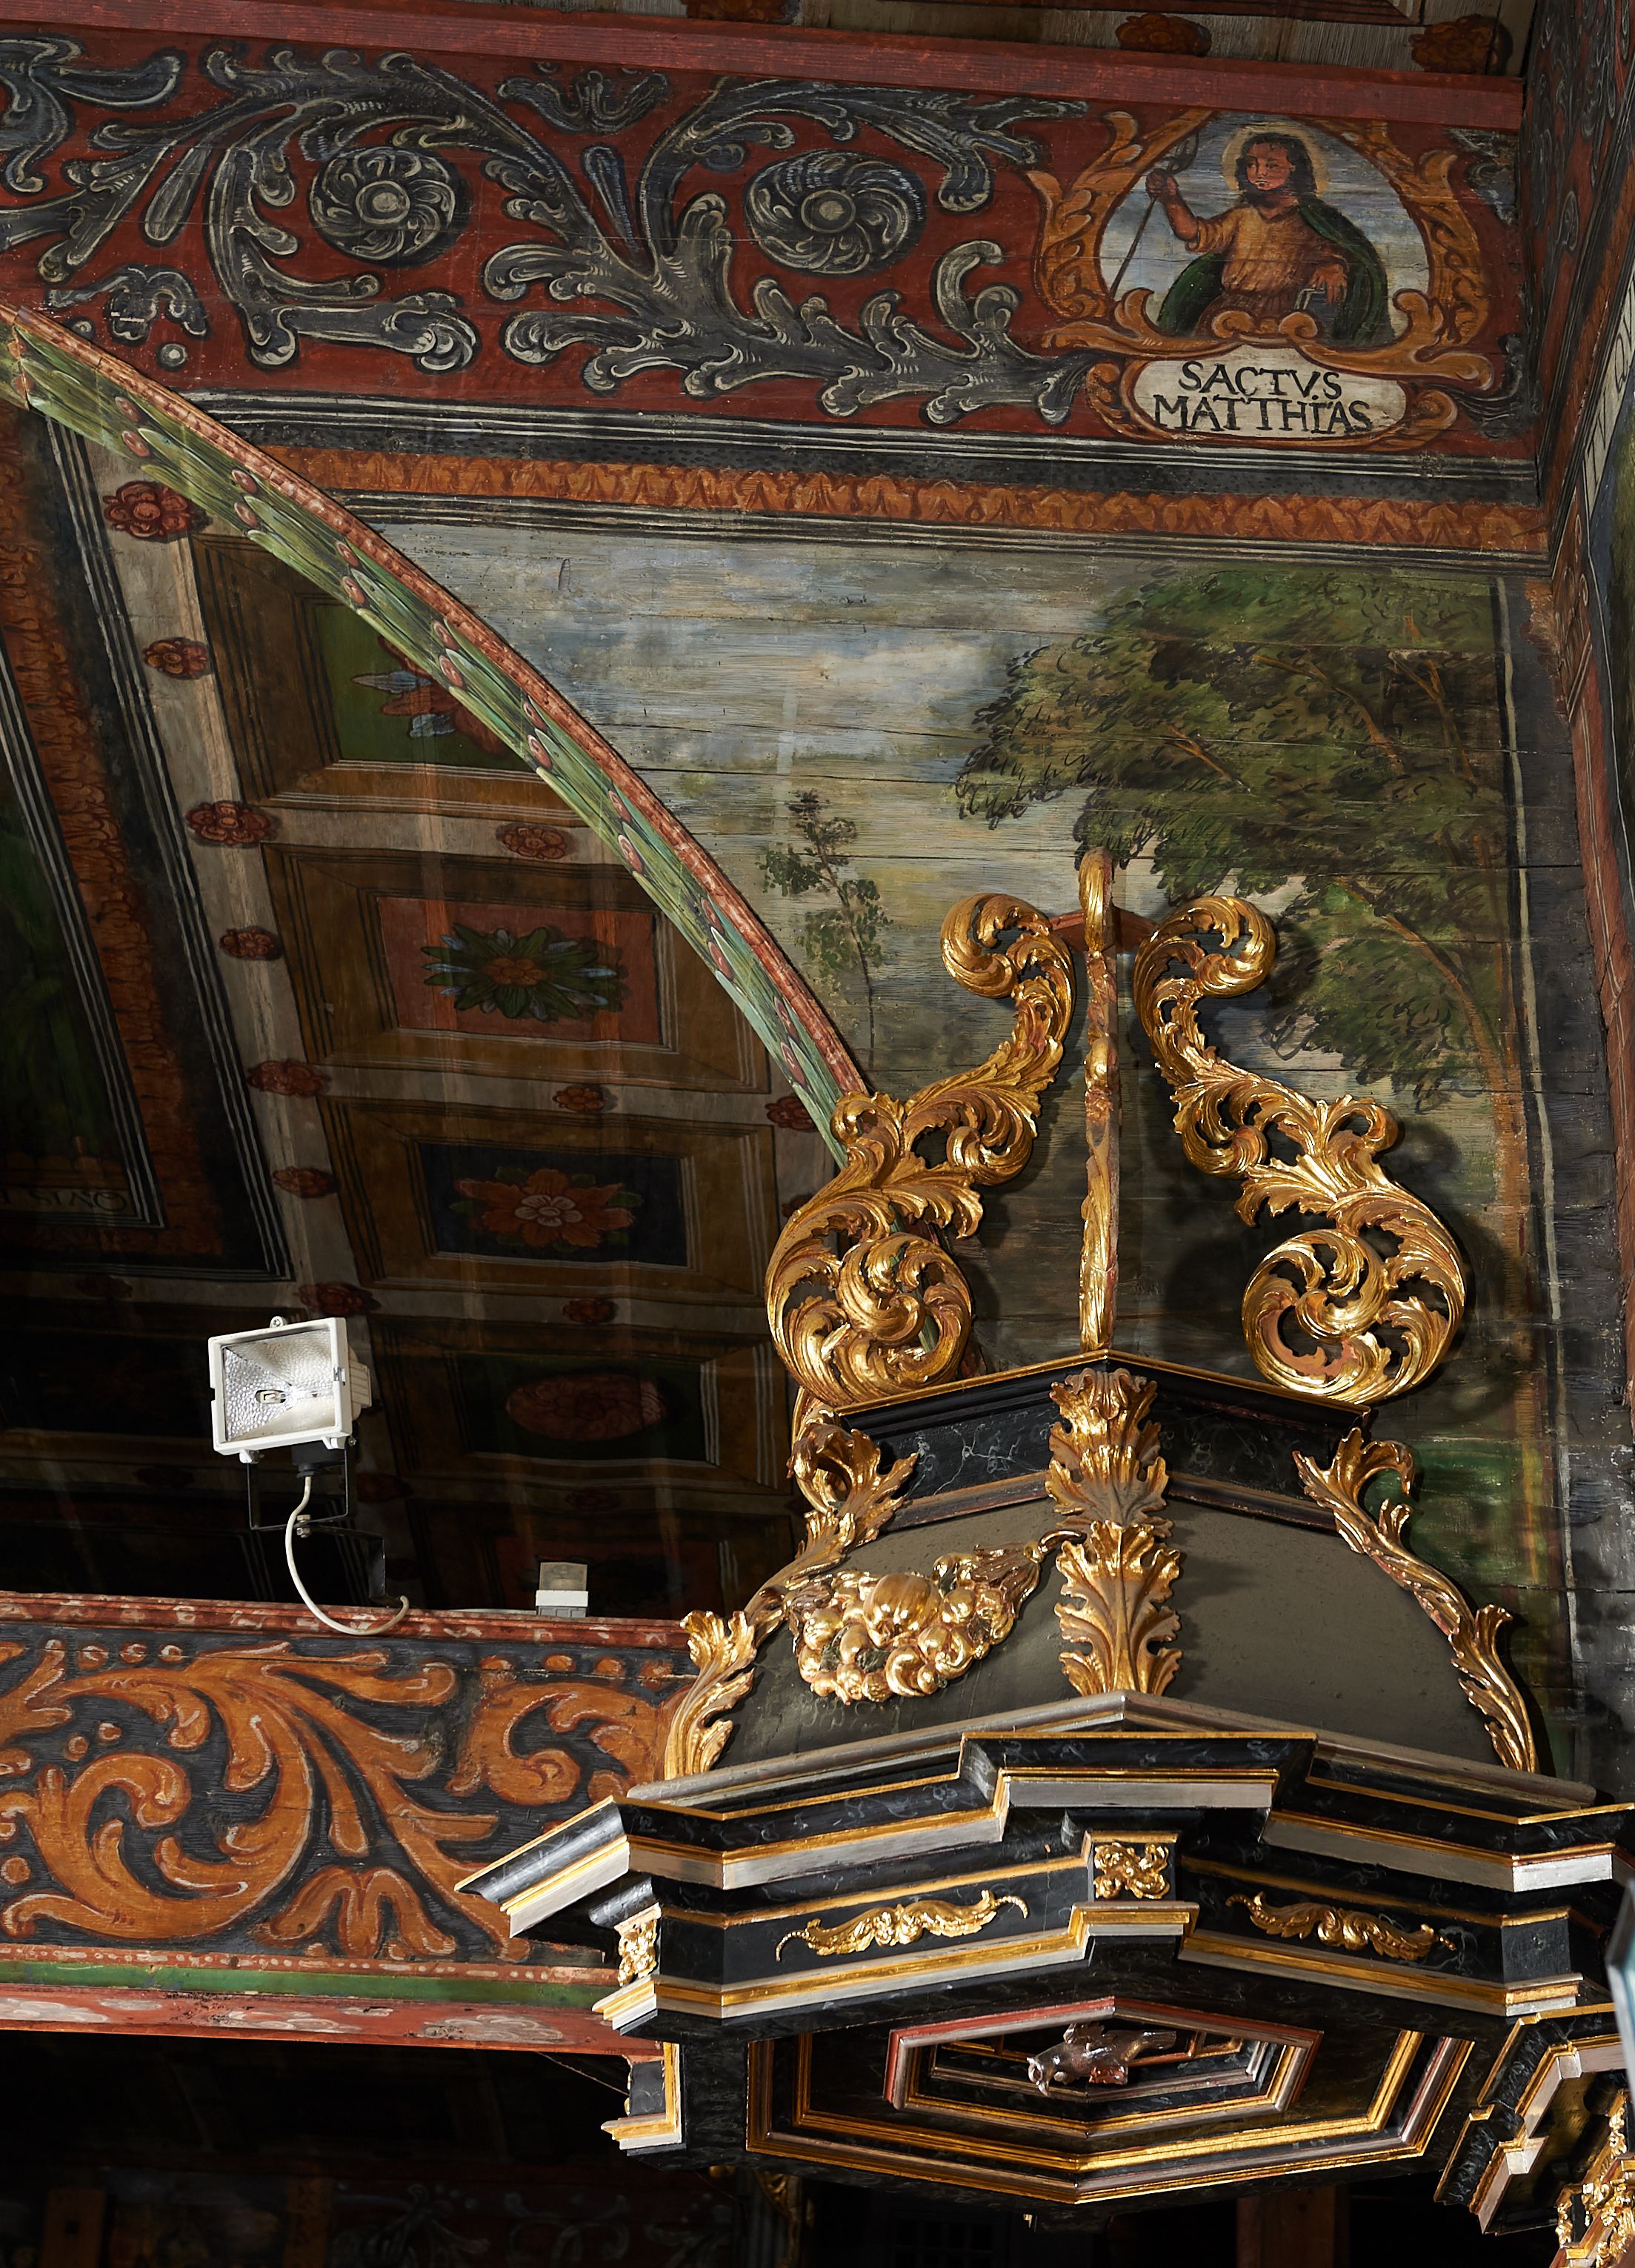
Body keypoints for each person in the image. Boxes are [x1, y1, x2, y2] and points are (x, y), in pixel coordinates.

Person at [1146, 130, 1389, 345]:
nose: (1259, 172)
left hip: (1288, 318)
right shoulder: (1241, 216)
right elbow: (1194, 233)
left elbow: (1342, 251)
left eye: (1272, 166)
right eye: (1252, 165)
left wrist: (1335, 265)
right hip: (1228, 315)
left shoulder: (1313, 219)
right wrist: (1172, 200)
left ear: (1295, 169)